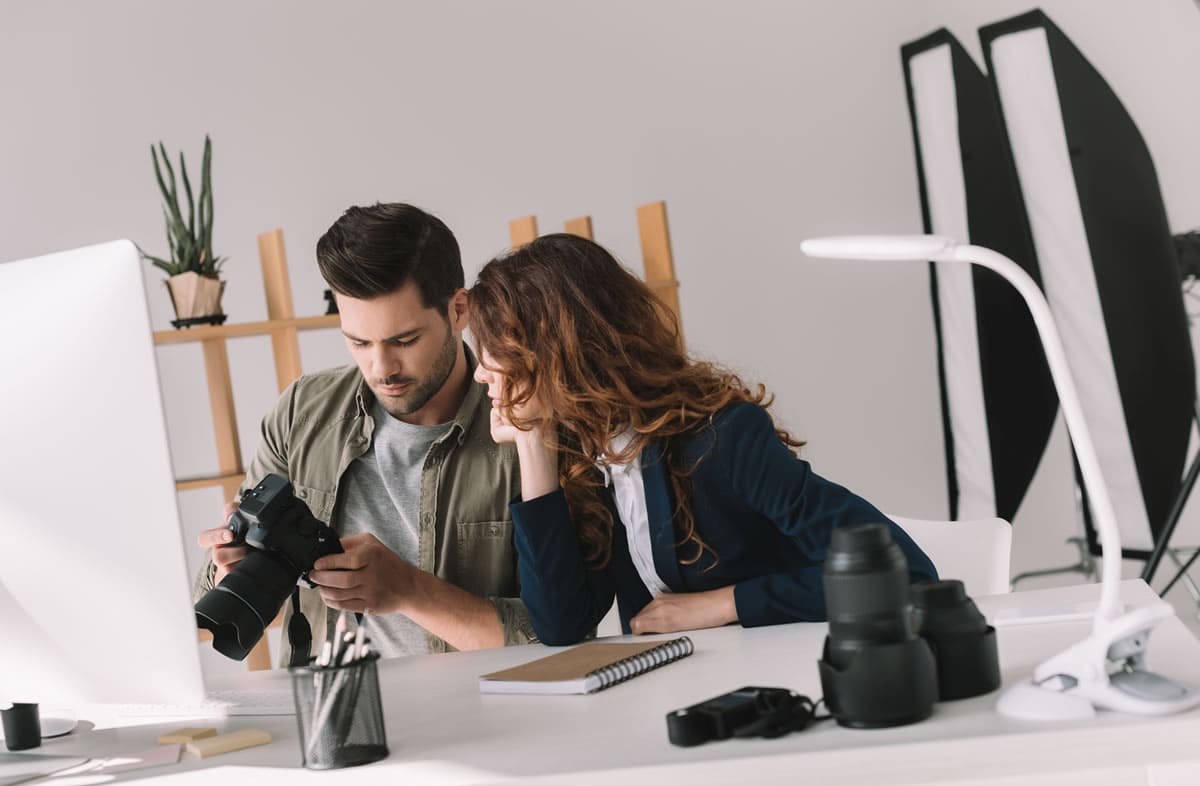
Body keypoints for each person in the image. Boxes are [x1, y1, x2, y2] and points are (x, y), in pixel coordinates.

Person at [468, 233, 937, 646]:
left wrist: (725, 604)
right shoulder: (584, 455)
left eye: (491, 350)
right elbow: (560, 625)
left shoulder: (723, 438)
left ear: (555, 350)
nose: (480, 372)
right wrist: (534, 447)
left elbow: (900, 571)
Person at [193, 203, 534, 666]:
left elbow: (558, 635)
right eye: (358, 342)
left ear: (458, 310)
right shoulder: (302, 413)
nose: (381, 368)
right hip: (332, 713)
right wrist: (230, 561)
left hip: (485, 720)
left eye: (404, 340)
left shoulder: (522, 428)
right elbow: (212, 588)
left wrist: (410, 590)